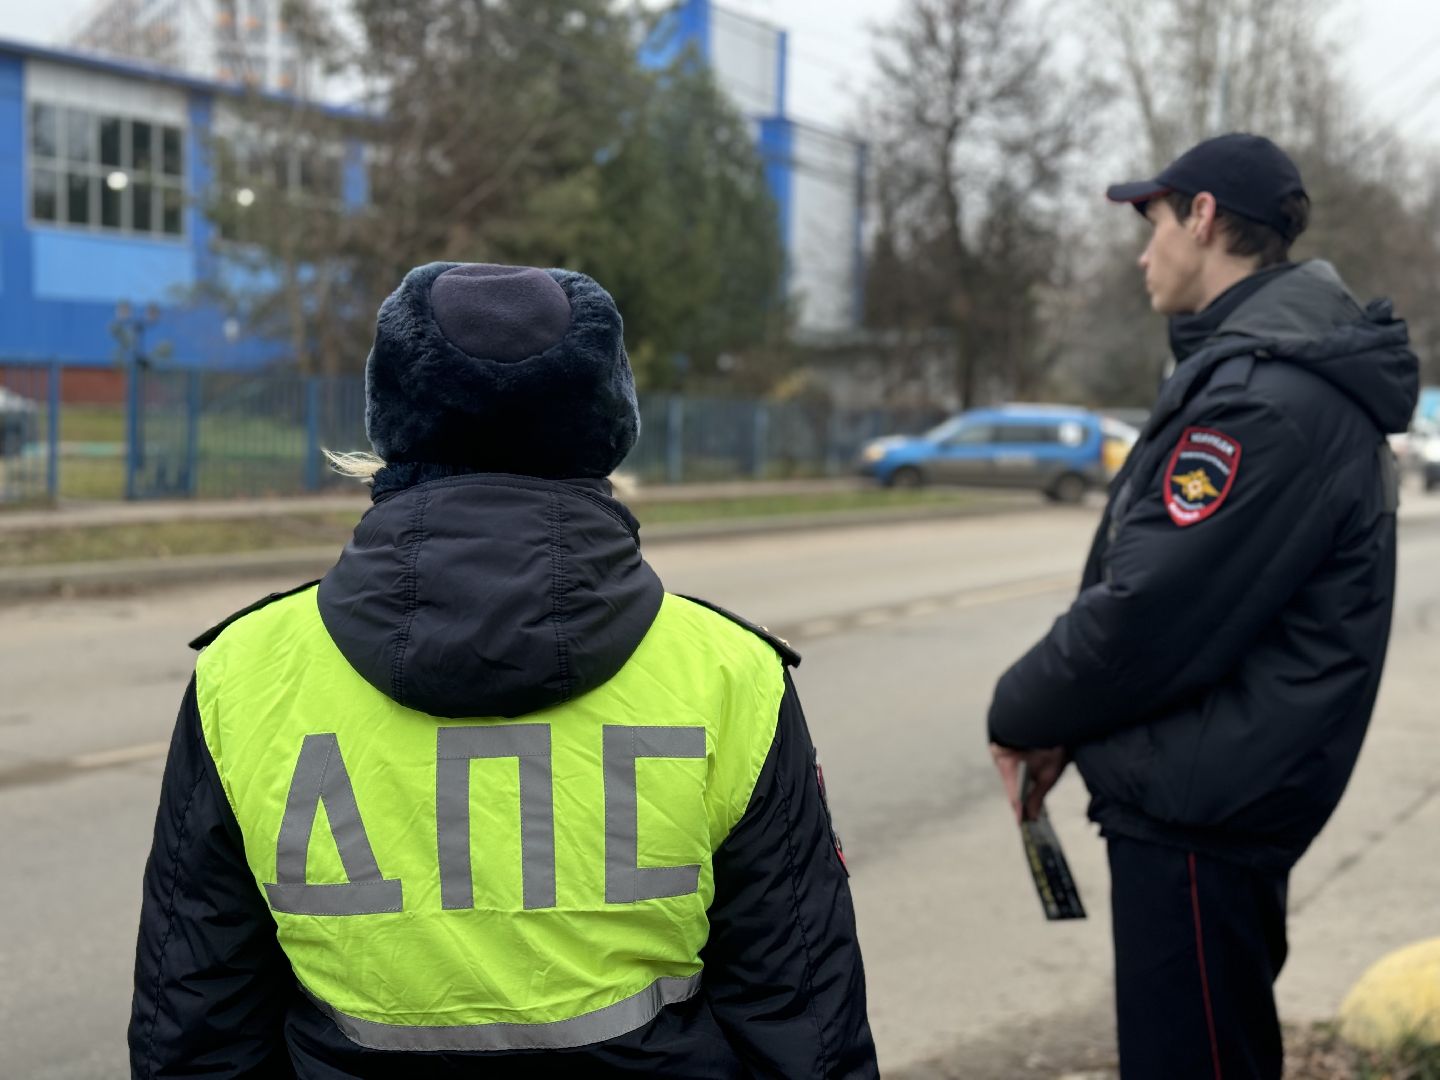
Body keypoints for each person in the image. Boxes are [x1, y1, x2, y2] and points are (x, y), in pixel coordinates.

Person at [129, 262, 877, 1078]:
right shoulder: (729, 674)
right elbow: (803, 1023)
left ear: (393, 418)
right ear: (607, 420)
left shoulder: (247, 672)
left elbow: (196, 1028)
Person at [987, 133, 1418, 1079]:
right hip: (1212, 792)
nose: (1145, 255)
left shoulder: (1265, 399)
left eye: (1154, 226)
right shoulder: (1262, 375)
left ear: (1205, 217)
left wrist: (1021, 711)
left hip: (1202, 807)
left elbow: (1151, 610)